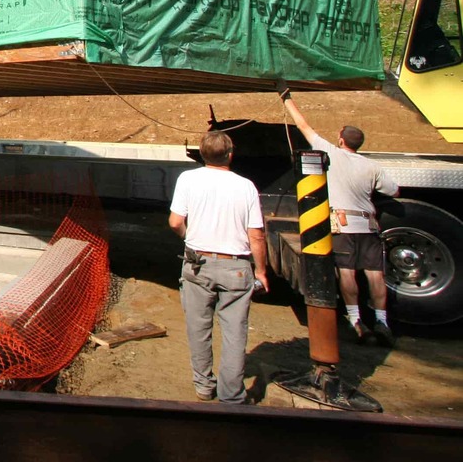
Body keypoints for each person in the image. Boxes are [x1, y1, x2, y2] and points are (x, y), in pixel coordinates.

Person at [280, 88, 400, 346]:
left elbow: (303, 125)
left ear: (341, 139)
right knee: (375, 276)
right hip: (368, 226)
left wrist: (285, 96)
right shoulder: (371, 165)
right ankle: (382, 321)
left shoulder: (331, 153)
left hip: (343, 225)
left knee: (347, 274)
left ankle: (356, 320)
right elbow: (394, 190)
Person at [169, 130, 270, 404]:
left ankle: (203, 386)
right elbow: (256, 235)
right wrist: (260, 271)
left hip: (197, 263)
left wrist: (190, 240)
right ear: (230, 153)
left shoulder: (187, 179)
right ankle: (232, 396)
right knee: (235, 332)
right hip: (235, 268)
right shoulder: (246, 186)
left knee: (198, 328)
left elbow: (176, 222)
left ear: (201, 153)